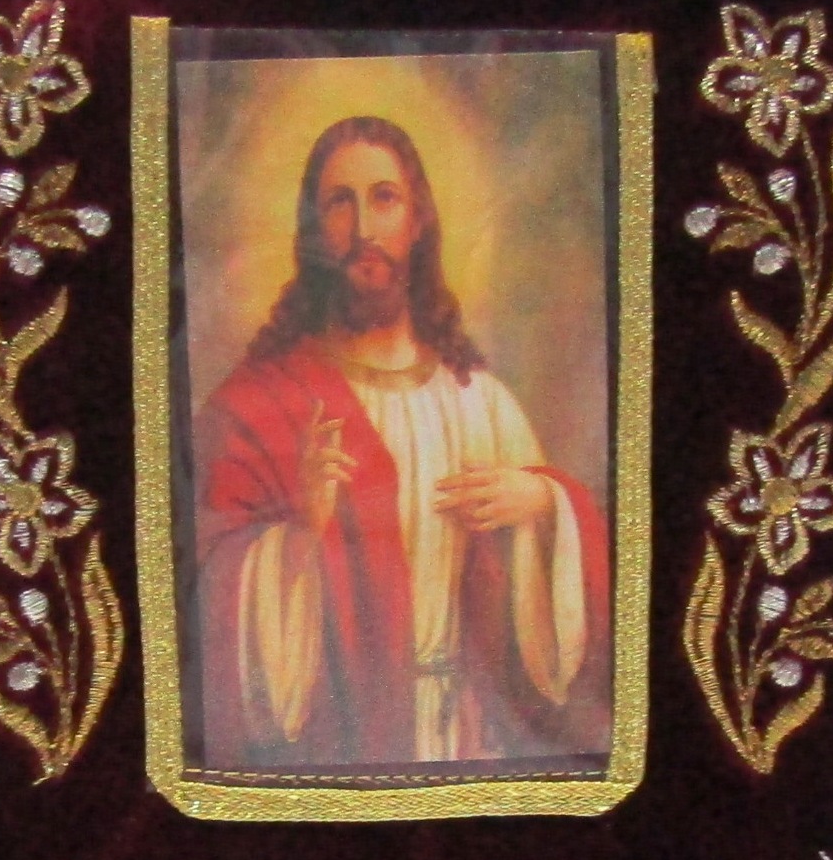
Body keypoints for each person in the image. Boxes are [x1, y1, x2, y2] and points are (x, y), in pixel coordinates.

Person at [193, 114, 610, 771]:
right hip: (344, 748)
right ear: (314, 231)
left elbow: (569, 622)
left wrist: (542, 504)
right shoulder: (255, 406)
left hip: (473, 744)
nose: (364, 229)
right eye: (340, 202)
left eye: (384, 198)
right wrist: (299, 534)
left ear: (417, 221)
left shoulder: (480, 403)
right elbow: (204, 597)